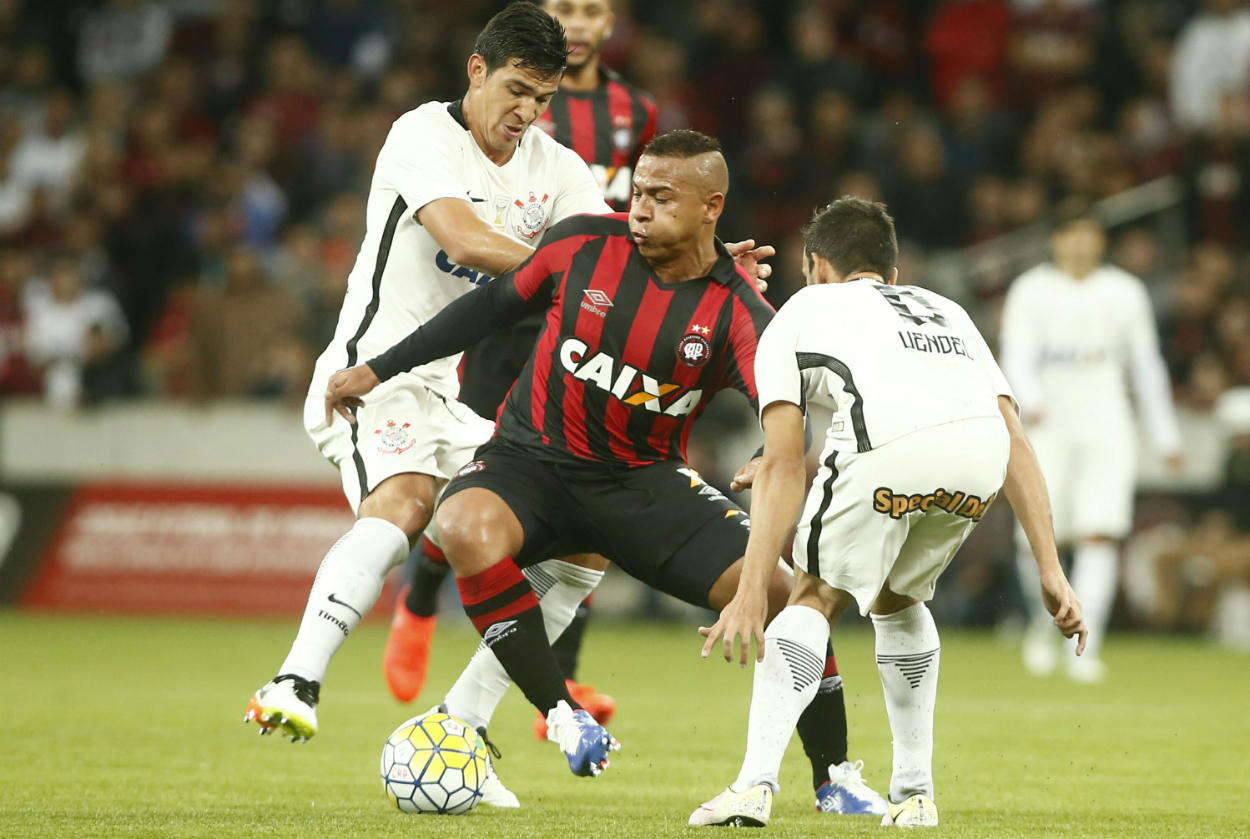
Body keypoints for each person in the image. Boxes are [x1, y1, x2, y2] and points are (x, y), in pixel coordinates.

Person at [244, 3, 770, 804]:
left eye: (543, 98)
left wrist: (701, 257)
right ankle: (295, 680)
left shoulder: (558, 168)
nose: (526, 111)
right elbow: (465, 240)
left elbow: (624, 247)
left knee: (582, 542)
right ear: (477, 71)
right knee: (406, 503)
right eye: (517, 89)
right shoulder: (422, 135)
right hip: (377, 371)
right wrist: (573, 271)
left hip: (454, 391)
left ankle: (464, 723)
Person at [324, 130, 887, 814]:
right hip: (530, 463)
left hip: (642, 485)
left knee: (781, 595)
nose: (641, 208)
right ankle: (562, 713)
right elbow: (487, 308)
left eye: (662, 197)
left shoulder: (738, 309)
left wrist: (774, 450)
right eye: (638, 192)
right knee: (462, 523)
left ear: (711, 207)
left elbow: (786, 416)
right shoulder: (583, 243)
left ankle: (834, 778)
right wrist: (378, 367)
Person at [689, 197, 1088, 829]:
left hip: (888, 455)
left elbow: (786, 461)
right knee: (898, 599)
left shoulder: (803, 309)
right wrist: (1050, 566)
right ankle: (915, 795)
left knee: (814, 595)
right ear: (892, 274)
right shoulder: (946, 309)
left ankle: (752, 787)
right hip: (977, 463)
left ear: (815, 265)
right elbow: (1013, 436)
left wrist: (751, 590)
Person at [385, 0, 658, 725]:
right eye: (565, 8)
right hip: (505, 314)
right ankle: (420, 599)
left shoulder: (635, 111)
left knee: (583, 483)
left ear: (611, 23)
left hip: (582, 317)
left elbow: (638, 214)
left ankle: (561, 682)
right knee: (477, 479)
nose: (579, 22)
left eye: (592, 10)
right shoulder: (507, 104)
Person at [1001, 212, 1182, 683]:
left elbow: (1146, 364)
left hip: (1107, 422)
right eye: (1072, 235)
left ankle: (1088, 641)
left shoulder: (1125, 291)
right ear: (1056, 239)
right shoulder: (1031, 290)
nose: (1080, 245)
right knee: (1038, 533)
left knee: (1099, 531)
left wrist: (1166, 434)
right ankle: (1043, 628)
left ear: (1101, 242)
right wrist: (1030, 401)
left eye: (1089, 236)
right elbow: (1015, 353)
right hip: (1047, 425)